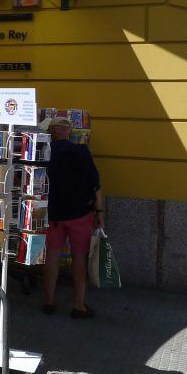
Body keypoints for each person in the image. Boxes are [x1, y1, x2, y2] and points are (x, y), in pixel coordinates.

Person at [43, 116, 104, 319]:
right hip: (80, 213)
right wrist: (99, 212)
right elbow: (96, 184)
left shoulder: (43, 151)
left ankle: (49, 302)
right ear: (69, 131)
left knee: (52, 256)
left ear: (51, 131)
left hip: (54, 214)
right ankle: (79, 305)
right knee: (79, 257)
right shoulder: (81, 151)